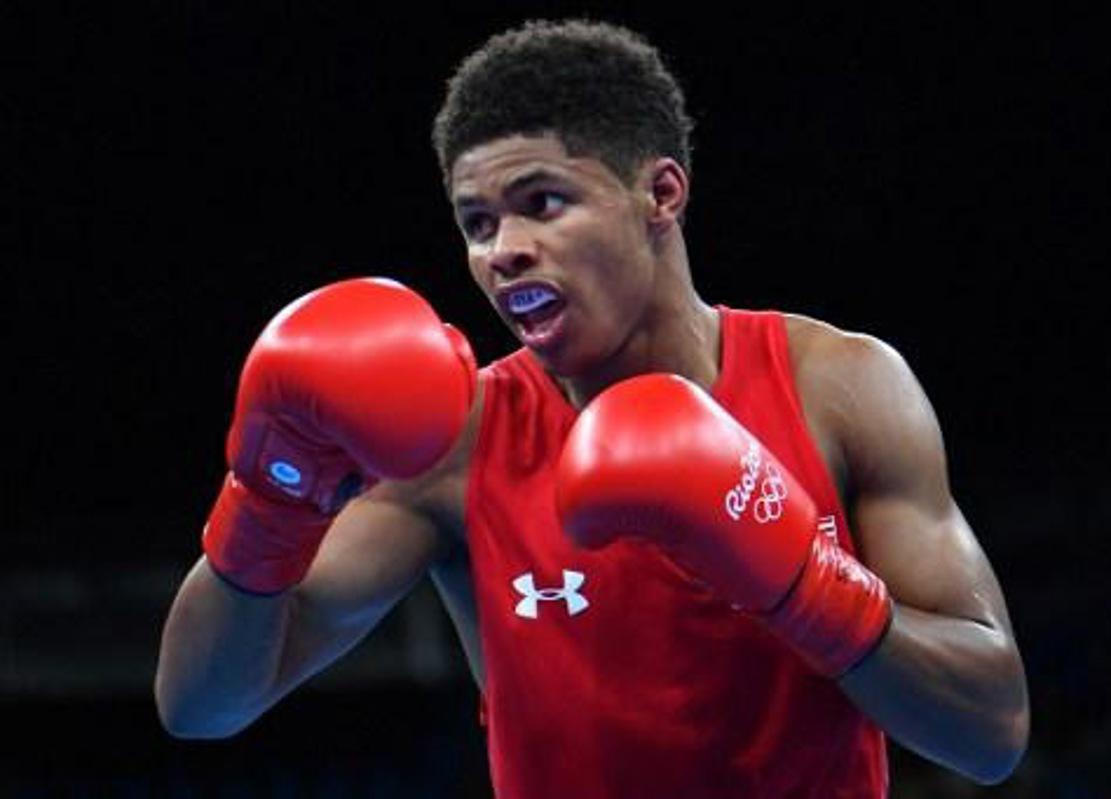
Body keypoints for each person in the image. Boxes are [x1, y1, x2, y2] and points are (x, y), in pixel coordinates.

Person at [155, 19, 1030, 797]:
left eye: (542, 203)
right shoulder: (460, 442)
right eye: (477, 222)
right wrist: (271, 497)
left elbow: (990, 732)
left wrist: (803, 581)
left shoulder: (840, 388)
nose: (503, 251)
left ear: (661, 196)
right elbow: (204, 705)